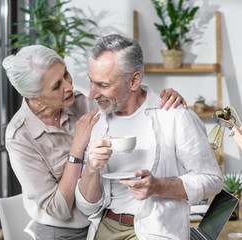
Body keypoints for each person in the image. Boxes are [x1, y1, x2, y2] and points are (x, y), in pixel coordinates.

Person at [2, 44, 187, 240]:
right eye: (56, 86)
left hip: (99, 222)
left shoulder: (82, 103)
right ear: (34, 97)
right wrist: (77, 148)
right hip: (62, 234)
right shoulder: (20, 137)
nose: (68, 86)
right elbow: (59, 209)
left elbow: (126, 101)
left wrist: (162, 100)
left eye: (65, 74)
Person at [75, 34, 223, 240]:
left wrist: (157, 186)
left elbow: (212, 180)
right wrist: (91, 168)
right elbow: (86, 206)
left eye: (103, 85)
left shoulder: (174, 115)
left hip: (155, 231)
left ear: (134, 80)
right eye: (91, 82)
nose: (92, 94)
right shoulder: (97, 122)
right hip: (105, 227)